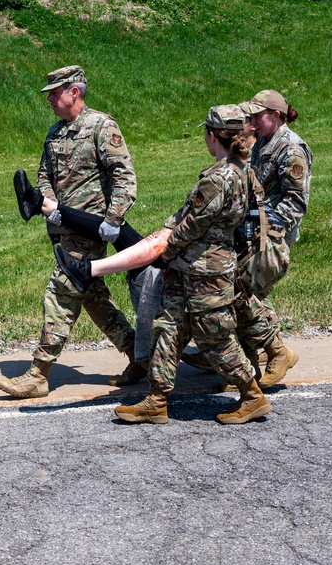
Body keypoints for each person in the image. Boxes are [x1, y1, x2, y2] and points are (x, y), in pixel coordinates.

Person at [108, 105, 272, 424]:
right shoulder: (242, 169)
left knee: (215, 336)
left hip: (206, 271)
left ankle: (252, 395)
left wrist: (166, 250)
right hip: (192, 268)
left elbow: (192, 223)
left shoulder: (221, 175)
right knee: (169, 326)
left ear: (212, 136)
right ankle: (156, 400)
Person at [0, 65, 139, 401]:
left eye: (56, 93)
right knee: (92, 297)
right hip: (62, 226)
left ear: (74, 91)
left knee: (61, 290)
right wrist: (47, 204)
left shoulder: (101, 127)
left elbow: (125, 178)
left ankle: (38, 374)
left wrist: (113, 219)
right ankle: (142, 356)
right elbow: (45, 174)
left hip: (90, 229)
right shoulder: (54, 132)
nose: (51, 100)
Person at [240, 90, 311, 388]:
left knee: (242, 292)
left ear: (277, 115)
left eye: (259, 115)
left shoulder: (291, 149)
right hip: (254, 231)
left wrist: (267, 233)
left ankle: (275, 353)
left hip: (272, 237)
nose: (253, 120)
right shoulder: (262, 144)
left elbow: (295, 202)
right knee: (246, 292)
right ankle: (246, 366)